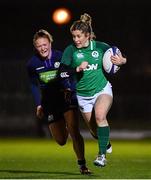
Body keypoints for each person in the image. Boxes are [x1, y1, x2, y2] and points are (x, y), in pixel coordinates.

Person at [60, 13, 127, 167]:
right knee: (94, 131)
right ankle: (105, 141)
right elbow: (61, 73)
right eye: (73, 36)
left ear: (88, 36)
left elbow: (119, 56)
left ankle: (102, 156)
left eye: (79, 36)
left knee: (100, 116)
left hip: (102, 89)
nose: (76, 40)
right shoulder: (70, 50)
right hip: (83, 95)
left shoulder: (100, 46)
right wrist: (76, 68)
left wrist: (122, 60)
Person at [26, 29, 91, 174]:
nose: (42, 48)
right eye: (39, 46)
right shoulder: (32, 64)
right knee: (61, 140)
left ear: (50, 43)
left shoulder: (61, 56)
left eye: (45, 44)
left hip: (66, 97)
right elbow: (33, 85)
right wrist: (38, 104)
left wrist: (70, 88)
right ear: (35, 47)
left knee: (74, 130)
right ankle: (64, 125)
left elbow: (73, 75)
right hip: (50, 102)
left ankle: (82, 165)